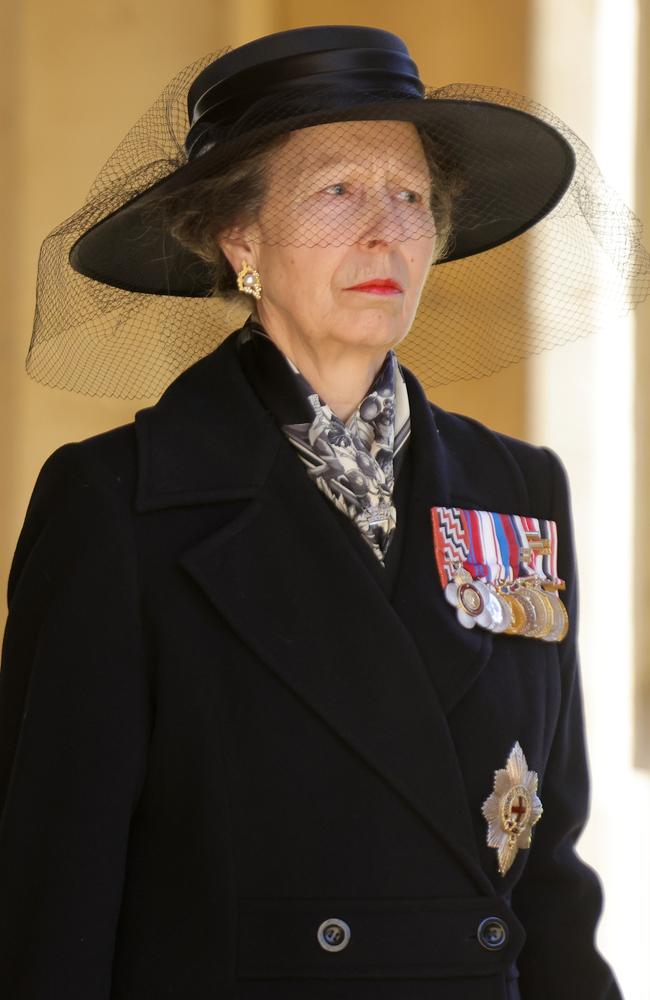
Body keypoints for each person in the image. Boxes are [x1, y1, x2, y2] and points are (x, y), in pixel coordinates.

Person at [1, 24, 647, 1000]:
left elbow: (546, 879)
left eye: (410, 197)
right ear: (240, 238)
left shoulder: (517, 493)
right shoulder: (116, 508)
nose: (384, 231)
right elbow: (53, 908)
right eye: (336, 191)